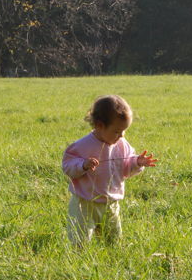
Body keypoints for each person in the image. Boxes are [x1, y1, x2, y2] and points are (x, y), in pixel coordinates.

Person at [62, 94, 157, 245]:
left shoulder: (122, 144)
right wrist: (83, 165)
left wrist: (137, 162)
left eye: (124, 131)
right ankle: (77, 260)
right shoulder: (82, 146)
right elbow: (67, 166)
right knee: (79, 240)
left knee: (113, 240)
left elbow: (126, 169)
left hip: (111, 203)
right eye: (117, 131)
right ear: (99, 125)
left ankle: (111, 259)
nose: (121, 136)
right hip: (85, 203)